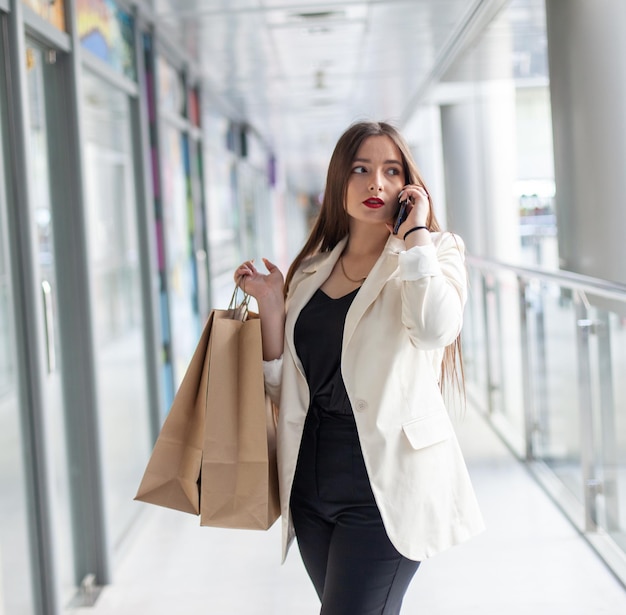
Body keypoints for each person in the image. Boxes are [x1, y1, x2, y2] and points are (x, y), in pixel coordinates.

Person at [234, 121, 484, 614]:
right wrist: (271, 307)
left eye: (392, 171)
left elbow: (435, 329)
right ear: (338, 182)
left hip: (384, 486)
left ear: (409, 186)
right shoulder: (310, 271)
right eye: (361, 170)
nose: (376, 184)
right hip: (309, 485)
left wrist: (414, 235)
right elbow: (285, 384)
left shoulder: (433, 253)